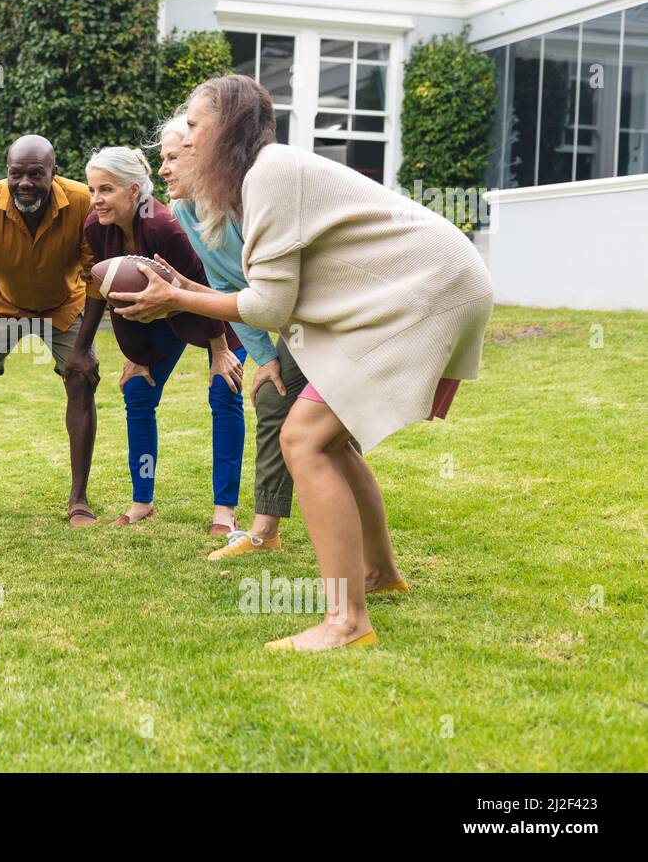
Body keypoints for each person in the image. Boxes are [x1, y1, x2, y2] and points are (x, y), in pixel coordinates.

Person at [111, 74, 493, 651]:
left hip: (422, 290)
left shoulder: (270, 173)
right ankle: (380, 574)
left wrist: (178, 299)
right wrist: (189, 286)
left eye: (192, 125)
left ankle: (346, 622)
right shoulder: (255, 179)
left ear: (227, 124)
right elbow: (256, 291)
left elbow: (269, 304)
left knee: (303, 439)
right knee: (328, 440)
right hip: (421, 287)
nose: (183, 141)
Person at [156, 113, 307, 558]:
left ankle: (281, 529)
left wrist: (180, 296)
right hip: (289, 320)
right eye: (161, 158)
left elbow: (267, 293)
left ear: (202, 157)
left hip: (323, 311)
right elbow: (227, 289)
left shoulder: (246, 201)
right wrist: (267, 358)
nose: (163, 169)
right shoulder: (185, 210)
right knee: (279, 400)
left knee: (322, 426)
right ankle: (267, 531)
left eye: (172, 157)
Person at [76, 146, 244, 528]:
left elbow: (203, 285)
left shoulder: (164, 225)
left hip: (211, 305)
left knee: (224, 389)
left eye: (106, 190)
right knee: (137, 391)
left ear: (135, 191)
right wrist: (136, 354)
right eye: (91, 190)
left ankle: (225, 510)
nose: (96, 200)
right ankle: (142, 501)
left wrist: (219, 352)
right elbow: (111, 292)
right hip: (161, 315)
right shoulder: (94, 227)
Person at [0, 135, 101, 527]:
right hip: (4, 304)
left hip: (64, 305)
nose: (25, 183)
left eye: (36, 174)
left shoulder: (83, 203)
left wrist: (83, 349)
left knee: (82, 375)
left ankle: (78, 500)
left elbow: (95, 277)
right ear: (7, 172)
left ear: (54, 173)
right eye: (17, 174)